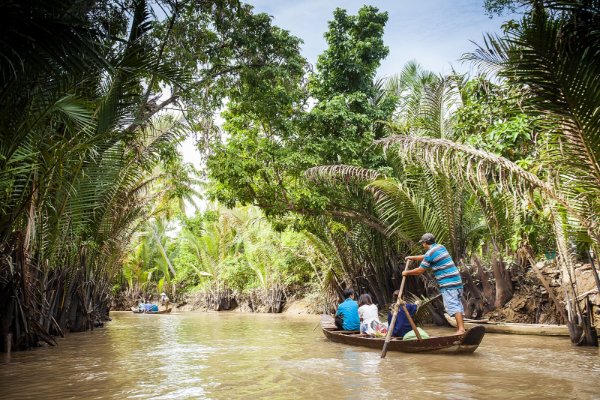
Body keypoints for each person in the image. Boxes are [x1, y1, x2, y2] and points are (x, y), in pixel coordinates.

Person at [403, 233, 466, 334]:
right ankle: (460, 328)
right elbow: (426, 256)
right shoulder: (440, 247)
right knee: (457, 304)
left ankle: (461, 329)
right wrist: (412, 257)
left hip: (448, 283)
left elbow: (420, 270)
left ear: (425, 243)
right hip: (457, 280)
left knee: (453, 305)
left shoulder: (430, 254)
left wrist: (406, 272)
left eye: (422, 243)